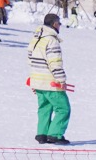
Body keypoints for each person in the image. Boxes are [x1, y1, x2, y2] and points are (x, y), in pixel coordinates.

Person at [27, 12, 73, 145]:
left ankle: (42, 134)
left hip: (37, 80)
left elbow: (30, 60)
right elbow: (55, 62)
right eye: (59, 23)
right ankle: (55, 135)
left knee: (44, 108)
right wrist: (61, 80)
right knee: (63, 108)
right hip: (50, 82)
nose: (60, 26)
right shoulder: (51, 40)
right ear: (54, 24)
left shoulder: (35, 39)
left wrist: (33, 80)